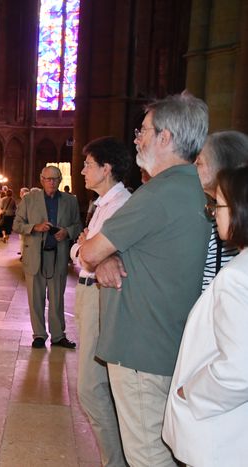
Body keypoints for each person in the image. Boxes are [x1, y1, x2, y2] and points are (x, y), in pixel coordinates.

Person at [80, 92, 210, 466]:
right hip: (169, 341)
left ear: (166, 138)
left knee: (147, 455)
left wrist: (102, 252)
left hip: (141, 348)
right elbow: (151, 248)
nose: (137, 138)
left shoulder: (157, 193)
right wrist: (114, 253)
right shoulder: (194, 189)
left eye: (144, 131)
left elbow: (89, 252)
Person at [163, 166, 248, 466]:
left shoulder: (237, 277)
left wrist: (192, 391)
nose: (213, 212)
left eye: (218, 204)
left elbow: (239, 368)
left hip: (221, 434)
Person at [70, 137, 131, 467]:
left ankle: (115, 462)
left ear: (106, 169)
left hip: (100, 296)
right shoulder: (101, 203)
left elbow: (91, 254)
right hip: (87, 292)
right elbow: (80, 253)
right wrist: (85, 249)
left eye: (88, 165)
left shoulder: (122, 204)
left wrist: (86, 250)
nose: (82, 171)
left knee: (90, 390)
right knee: (95, 386)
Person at [13, 165, 82, 349]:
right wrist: (34, 227)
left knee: (57, 298)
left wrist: (66, 232)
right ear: (41, 179)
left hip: (57, 256)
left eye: (55, 179)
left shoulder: (70, 201)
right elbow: (17, 224)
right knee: (35, 298)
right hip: (35, 254)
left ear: (60, 181)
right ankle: (39, 335)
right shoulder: (29, 199)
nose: (52, 182)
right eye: (48, 179)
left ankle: (58, 336)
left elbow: (78, 225)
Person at [194, 130, 248, 289]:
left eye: (200, 163)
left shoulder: (233, 219)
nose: (193, 168)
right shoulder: (214, 209)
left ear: (222, 167)